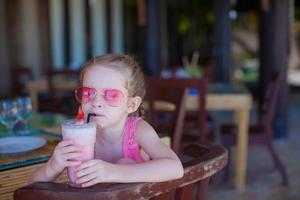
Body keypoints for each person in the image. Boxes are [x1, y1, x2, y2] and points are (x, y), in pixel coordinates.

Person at [29, 54, 184, 187]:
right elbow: (30, 187)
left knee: (126, 163)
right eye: (88, 93)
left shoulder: (137, 130)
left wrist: (113, 172)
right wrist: (53, 166)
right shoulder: (79, 133)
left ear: (131, 104)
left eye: (111, 95)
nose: (95, 102)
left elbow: (175, 167)